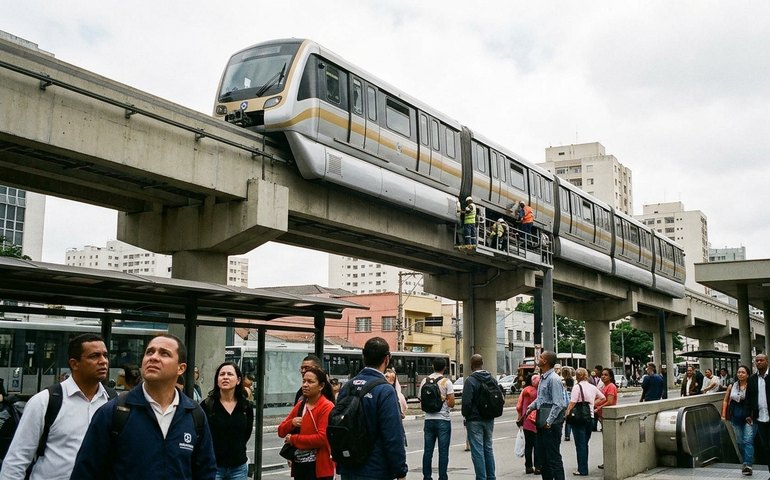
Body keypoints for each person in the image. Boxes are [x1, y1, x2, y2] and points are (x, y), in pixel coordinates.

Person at [70, 334, 217, 480]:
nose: (153, 357)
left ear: (181, 368)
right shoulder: (115, 412)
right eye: (149, 352)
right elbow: (85, 471)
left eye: (164, 353)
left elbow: (206, 471)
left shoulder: (193, 414)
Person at [0, 334, 111, 480]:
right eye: (94, 356)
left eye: (105, 355)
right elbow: (17, 458)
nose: (103, 361)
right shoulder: (45, 401)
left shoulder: (114, 402)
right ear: (74, 364)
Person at [335, 337, 407, 480]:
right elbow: (393, 436)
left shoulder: (348, 386)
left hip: (348, 467)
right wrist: (400, 471)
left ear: (363, 356)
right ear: (387, 359)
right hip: (376, 469)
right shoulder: (385, 390)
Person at [279, 365, 335, 480]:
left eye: (310, 382)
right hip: (300, 468)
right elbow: (281, 431)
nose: (305, 385)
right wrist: (292, 423)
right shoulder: (301, 405)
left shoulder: (327, 406)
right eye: (304, 381)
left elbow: (322, 438)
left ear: (321, 386)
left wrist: (293, 439)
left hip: (320, 470)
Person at [201, 361, 253, 480]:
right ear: (217, 380)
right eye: (222, 374)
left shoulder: (245, 407)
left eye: (230, 374)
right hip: (213, 467)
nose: (225, 377)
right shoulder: (207, 405)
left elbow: (246, 433)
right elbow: (201, 435)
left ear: (238, 380)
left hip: (239, 468)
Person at [525, 351, 567, 480]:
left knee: (553, 457)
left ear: (546, 361)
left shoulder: (554, 379)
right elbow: (541, 399)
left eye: (541, 357)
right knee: (543, 458)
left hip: (551, 424)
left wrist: (549, 421)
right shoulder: (543, 378)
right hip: (542, 422)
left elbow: (558, 403)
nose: (539, 358)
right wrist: (531, 407)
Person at [461, 354, 497, 480]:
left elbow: (466, 402)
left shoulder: (470, 380)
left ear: (471, 365)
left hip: (474, 419)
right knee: (488, 448)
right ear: (482, 363)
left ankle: (481, 477)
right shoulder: (491, 379)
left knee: (477, 451)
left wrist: (466, 416)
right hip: (489, 418)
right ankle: (491, 476)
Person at [564, 368, 604, 477]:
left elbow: (572, 402)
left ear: (577, 376)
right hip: (590, 417)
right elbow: (602, 397)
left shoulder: (577, 387)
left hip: (579, 418)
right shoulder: (592, 387)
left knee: (580, 444)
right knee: (584, 443)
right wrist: (592, 403)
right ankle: (583, 466)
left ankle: (582, 469)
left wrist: (567, 413)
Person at [419, 357, 455, 480]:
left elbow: (421, 398)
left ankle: (427, 477)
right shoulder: (446, 382)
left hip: (428, 420)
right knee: (443, 452)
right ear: (445, 368)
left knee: (428, 451)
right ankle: (442, 477)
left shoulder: (424, 381)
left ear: (432, 366)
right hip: (443, 420)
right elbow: (451, 403)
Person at [722, 364, 753, 476]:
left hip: (749, 417)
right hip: (735, 416)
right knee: (740, 441)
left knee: (748, 440)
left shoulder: (752, 386)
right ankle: (745, 462)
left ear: (748, 375)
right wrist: (723, 414)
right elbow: (726, 400)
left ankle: (748, 464)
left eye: (743, 372)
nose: (740, 374)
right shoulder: (732, 386)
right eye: (739, 372)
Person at [745, 353, 770, 478]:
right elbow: (748, 398)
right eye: (757, 360)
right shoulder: (752, 379)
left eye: (761, 360)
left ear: (767, 362)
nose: (759, 362)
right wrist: (748, 414)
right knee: (767, 448)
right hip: (760, 418)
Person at [516, 373, 540, 475]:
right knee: (538, 444)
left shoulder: (525, 391)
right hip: (538, 420)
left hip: (527, 420)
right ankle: (538, 467)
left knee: (528, 445)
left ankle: (528, 467)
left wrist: (520, 417)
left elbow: (518, 406)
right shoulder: (540, 391)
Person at [594, 368, 617, 470]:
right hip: (602, 417)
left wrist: (598, 408)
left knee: (609, 441)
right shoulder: (604, 386)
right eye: (602, 375)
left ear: (610, 377)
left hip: (608, 416)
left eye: (606, 375)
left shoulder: (611, 386)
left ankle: (609, 462)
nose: (603, 376)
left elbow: (610, 401)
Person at [561, 367, 575, 442]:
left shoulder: (561, 381)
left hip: (563, 400)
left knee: (561, 418)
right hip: (570, 400)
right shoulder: (572, 380)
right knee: (568, 419)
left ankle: (560, 433)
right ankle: (567, 435)